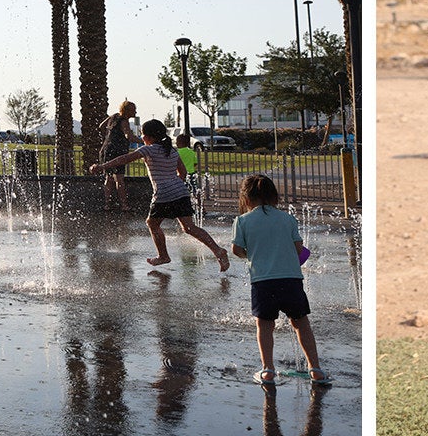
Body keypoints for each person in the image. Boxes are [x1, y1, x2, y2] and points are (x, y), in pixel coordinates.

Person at [87, 120, 229, 271]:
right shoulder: (172, 150)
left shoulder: (149, 150)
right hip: (180, 192)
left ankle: (163, 256)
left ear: (149, 136)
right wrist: (174, 184)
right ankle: (218, 251)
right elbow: (183, 173)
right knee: (189, 227)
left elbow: (125, 159)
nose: (141, 137)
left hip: (163, 194)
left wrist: (102, 166)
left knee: (152, 223)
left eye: (142, 134)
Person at [230, 175, 326, 385]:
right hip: (291, 279)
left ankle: (268, 370)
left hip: (263, 280)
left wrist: (252, 254)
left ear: (245, 199)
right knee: (300, 322)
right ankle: (315, 368)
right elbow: (299, 249)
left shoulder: (242, 221)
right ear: (275, 197)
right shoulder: (287, 219)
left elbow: (236, 250)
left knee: (264, 325)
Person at [97, 100, 138, 200]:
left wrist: (108, 138)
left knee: (109, 178)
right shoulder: (124, 121)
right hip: (117, 152)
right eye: (133, 110)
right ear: (127, 110)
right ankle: (124, 204)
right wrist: (145, 141)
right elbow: (128, 136)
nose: (135, 112)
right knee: (119, 179)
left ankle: (107, 203)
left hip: (106, 150)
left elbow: (101, 126)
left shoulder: (114, 116)